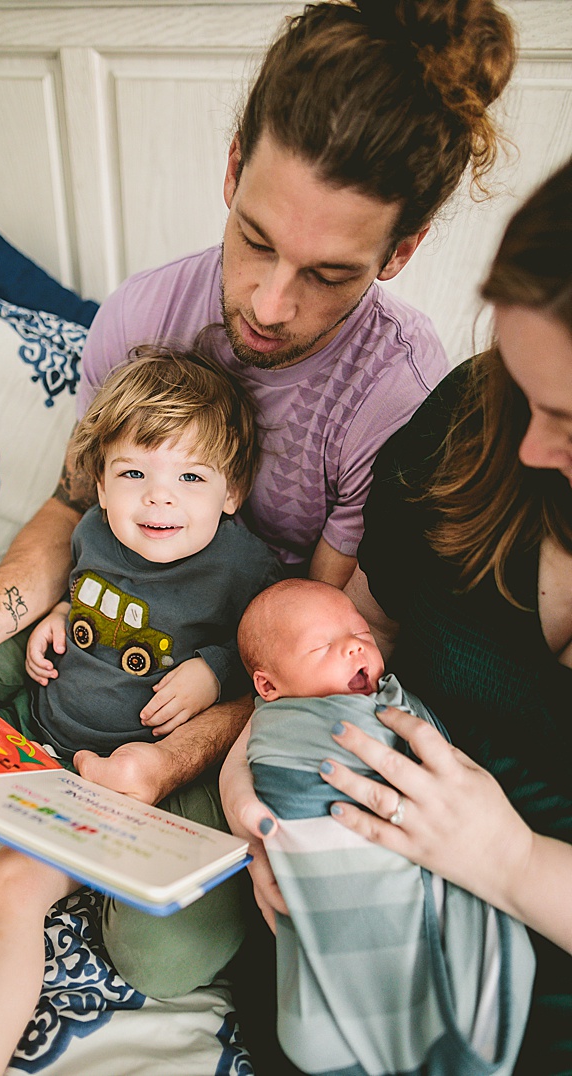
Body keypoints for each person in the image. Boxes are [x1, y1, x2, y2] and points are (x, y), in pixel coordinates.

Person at [0, 2, 515, 1065]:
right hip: (93, 634)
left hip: (229, 683)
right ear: (231, 166)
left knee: (162, 953)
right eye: (256, 238)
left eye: (329, 274)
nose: (267, 300)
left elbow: (320, 641)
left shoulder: (394, 392)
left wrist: (171, 758)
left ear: (403, 249)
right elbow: (72, 508)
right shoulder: (139, 318)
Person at [226, 156, 572, 1072]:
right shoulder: (474, 420)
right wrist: (261, 801)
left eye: (570, 419)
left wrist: (507, 864)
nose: (536, 447)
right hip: (358, 894)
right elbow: (352, 634)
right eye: (525, 390)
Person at [0, 349, 281, 1073]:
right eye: (134, 475)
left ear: (232, 491)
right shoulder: (92, 531)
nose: (159, 500)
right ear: (101, 482)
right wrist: (56, 615)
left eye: (190, 477)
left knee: (8, 891)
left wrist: (211, 675)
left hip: (114, 784)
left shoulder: (243, 568)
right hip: (38, 734)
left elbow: (260, 666)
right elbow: (88, 586)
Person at [239, 579, 533, 1076]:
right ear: (268, 688)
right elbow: (275, 752)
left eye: (358, 633)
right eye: (322, 645)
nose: (356, 644)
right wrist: (238, 788)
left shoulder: (392, 700)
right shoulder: (283, 727)